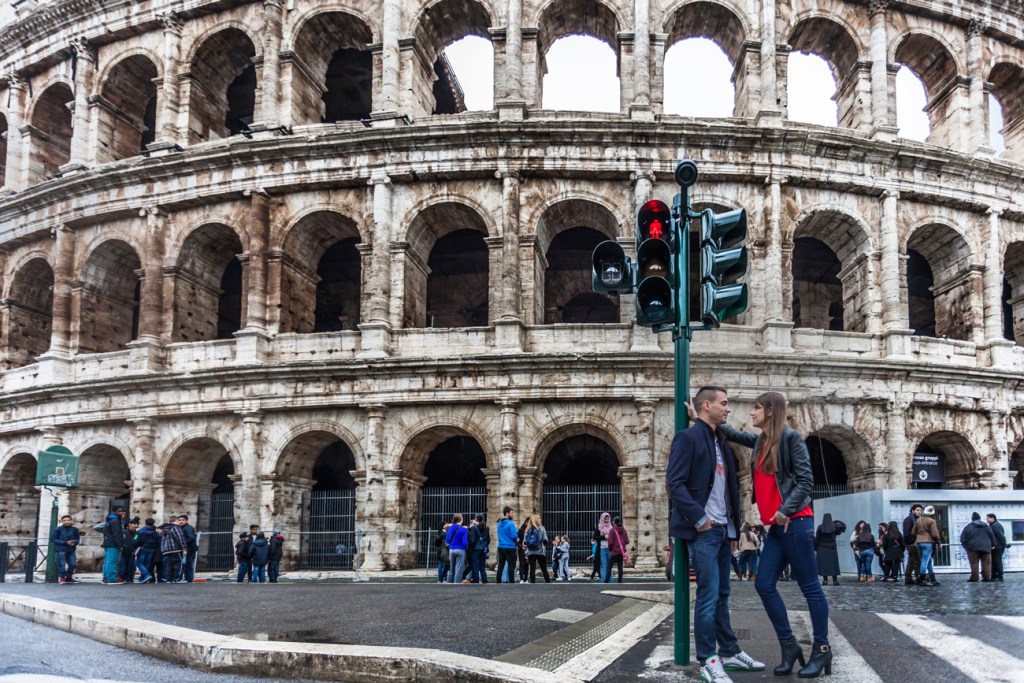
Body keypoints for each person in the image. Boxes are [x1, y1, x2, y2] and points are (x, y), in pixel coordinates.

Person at [716, 390, 830, 679]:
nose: (751, 414)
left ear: (769, 410)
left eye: (755, 409)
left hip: (796, 523)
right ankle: (789, 645)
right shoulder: (761, 443)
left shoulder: (791, 438)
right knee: (764, 584)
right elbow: (733, 433)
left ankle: (821, 648)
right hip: (777, 528)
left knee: (810, 588)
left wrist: (784, 509)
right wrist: (703, 418)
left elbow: (806, 481)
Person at [670, 387, 764, 683]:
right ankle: (708, 660)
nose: (728, 409)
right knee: (709, 597)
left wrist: (733, 529)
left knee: (723, 595)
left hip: (724, 532)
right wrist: (700, 520)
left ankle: (730, 651)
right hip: (705, 532)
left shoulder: (720, 440)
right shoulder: (687, 438)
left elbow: (727, 490)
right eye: (724, 404)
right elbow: (675, 484)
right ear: (706, 405)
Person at [911, 505, 943, 586]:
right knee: (925, 562)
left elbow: (913, 532)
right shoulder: (932, 521)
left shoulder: (918, 521)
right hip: (928, 542)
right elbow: (935, 534)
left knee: (928, 561)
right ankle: (922, 580)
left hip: (918, 542)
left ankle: (933, 579)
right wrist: (938, 542)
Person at [960, 511, 996, 582]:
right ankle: (987, 577)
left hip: (972, 548)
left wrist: (966, 546)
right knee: (986, 564)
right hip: (986, 548)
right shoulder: (986, 526)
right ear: (979, 518)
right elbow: (992, 536)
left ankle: (974, 578)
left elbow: (963, 538)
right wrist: (993, 545)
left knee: (974, 563)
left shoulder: (968, 527)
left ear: (972, 519)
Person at [100, 506, 128, 584]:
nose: (121, 513)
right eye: (119, 511)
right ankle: (111, 578)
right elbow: (116, 534)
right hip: (113, 543)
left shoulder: (110, 520)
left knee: (107, 561)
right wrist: (120, 545)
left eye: (122, 511)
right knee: (112, 561)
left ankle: (106, 577)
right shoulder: (116, 521)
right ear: (114, 512)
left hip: (108, 542)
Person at [50, 515, 80, 584]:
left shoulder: (75, 529)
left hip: (71, 549)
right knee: (61, 564)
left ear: (71, 521)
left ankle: (69, 577)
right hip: (61, 549)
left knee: (73, 564)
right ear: (62, 521)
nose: (67, 521)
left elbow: (77, 539)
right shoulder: (57, 529)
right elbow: (53, 539)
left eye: (68, 520)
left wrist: (74, 542)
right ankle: (62, 577)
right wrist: (65, 542)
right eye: (65, 520)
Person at [901, 504, 924, 585]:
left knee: (911, 561)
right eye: (918, 510)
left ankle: (908, 578)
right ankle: (918, 578)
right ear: (913, 511)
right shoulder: (909, 520)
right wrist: (912, 542)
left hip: (913, 542)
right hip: (911, 543)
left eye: (920, 510)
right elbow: (906, 533)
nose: (919, 512)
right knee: (917, 561)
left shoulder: (915, 519)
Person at [524, 515, 550, 583]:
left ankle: (533, 583)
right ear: (536, 520)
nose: (540, 520)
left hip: (530, 552)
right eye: (539, 518)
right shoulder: (542, 528)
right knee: (543, 568)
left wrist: (526, 549)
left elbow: (524, 543)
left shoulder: (527, 529)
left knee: (532, 569)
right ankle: (548, 582)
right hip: (540, 551)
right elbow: (545, 540)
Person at [495, 506, 518, 583]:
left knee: (500, 565)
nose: (513, 515)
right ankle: (511, 582)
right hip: (510, 547)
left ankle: (498, 581)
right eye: (511, 513)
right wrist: (517, 540)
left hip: (501, 547)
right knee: (511, 566)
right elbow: (514, 536)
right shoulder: (510, 524)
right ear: (507, 513)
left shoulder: (498, 524)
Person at [160, 518, 187, 583]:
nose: (180, 522)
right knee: (178, 564)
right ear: (175, 521)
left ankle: (169, 579)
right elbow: (180, 538)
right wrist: (184, 548)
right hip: (175, 549)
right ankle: (177, 579)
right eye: (178, 521)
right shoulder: (175, 528)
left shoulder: (165, 529)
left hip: (167, 550)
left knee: (169, 565)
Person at [133, 518, 159, 584]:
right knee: (147, 564)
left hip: (142, 548)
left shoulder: (140, 531)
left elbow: (135, 540)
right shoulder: (155, 532)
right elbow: (158, 541)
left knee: (139, 562)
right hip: (152, 549)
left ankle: (146, 575)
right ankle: (144, 578)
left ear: (145, 522)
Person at [445, 513, 469, 584]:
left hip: (451, 549)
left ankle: (449, 583)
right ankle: (457, 584)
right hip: (460, 549)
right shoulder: (463, 529)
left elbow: (447, 540)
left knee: (451, 569)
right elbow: (465, 542)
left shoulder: (450, 528)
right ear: (461, 519)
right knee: (458, 569)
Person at [467, 514, 490, 584]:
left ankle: (476, 580)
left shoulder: (474, 528)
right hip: (483, 549)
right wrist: (485, 545)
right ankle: (484, 580)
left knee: (475, 566)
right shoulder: (486, 528)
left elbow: (472, 540)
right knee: (482, 567)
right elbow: (488, 539)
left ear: (476, 519)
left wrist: (470, 547)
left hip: (475, 549)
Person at [607, 516, 630, 583]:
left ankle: (606, 581)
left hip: (614, 551)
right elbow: (627, 541)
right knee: (620, 567)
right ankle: (619, 581)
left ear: (614, 522)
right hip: (621, 551)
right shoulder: (623, 530)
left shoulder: (612, 530)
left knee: (609, 566)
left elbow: (610, 542)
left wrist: (610, 549)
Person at [177, 514, 198, 582]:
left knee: (188, 564)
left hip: (189, 549)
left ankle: (188, 578)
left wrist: (183, 543)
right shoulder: (182, 528)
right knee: (186, 564)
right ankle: (187, 578)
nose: (181, 521)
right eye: (179, 520)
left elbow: (191, 538)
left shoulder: (187, 528)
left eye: (183, 520)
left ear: (186, 521)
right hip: (187, 549)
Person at [593, 513, 612, 582]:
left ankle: (610, 581)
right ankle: (604, 581)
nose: (607, 520)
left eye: (608, 519)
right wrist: (604, 537)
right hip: (602, 548)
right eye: (605, 519)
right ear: (602, 519)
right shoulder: (599, 527)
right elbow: (594, 537)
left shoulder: (611, 527)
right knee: (603, 565)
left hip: (610, 548)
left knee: (609, 565)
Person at [987, 513, 1007, 581]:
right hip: (996, 546)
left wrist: (1002, 545)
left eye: (988, 518)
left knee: (997, 561)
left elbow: (1001, 536)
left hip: (997, 547)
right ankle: (994, 575)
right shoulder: (993, 525)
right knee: (995, 561)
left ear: (992, 518)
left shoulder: (995, 526)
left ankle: (999, 575)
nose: (986, 519)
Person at [121, 517, 140, 583]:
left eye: (137, 524)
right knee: (123, 566)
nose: (136, 526)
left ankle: (130, 578)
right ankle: (123, 578)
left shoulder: (136, 533)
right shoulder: (125, 532)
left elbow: (135, 540)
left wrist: (134, 548)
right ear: (129, 525)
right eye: (134, 524)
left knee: (131, 566)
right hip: (124, 551)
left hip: (131, 551)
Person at [517, 517, 531, 583]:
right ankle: (521, 578)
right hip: (521, 549)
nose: (527, 523)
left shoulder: (531, 530)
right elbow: (517, 540)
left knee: (527, 564)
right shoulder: (520, 530)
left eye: (529, 522)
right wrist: (520, 546)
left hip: (528, 549)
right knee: (522, 564)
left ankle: (526, 578)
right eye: (526, 522)